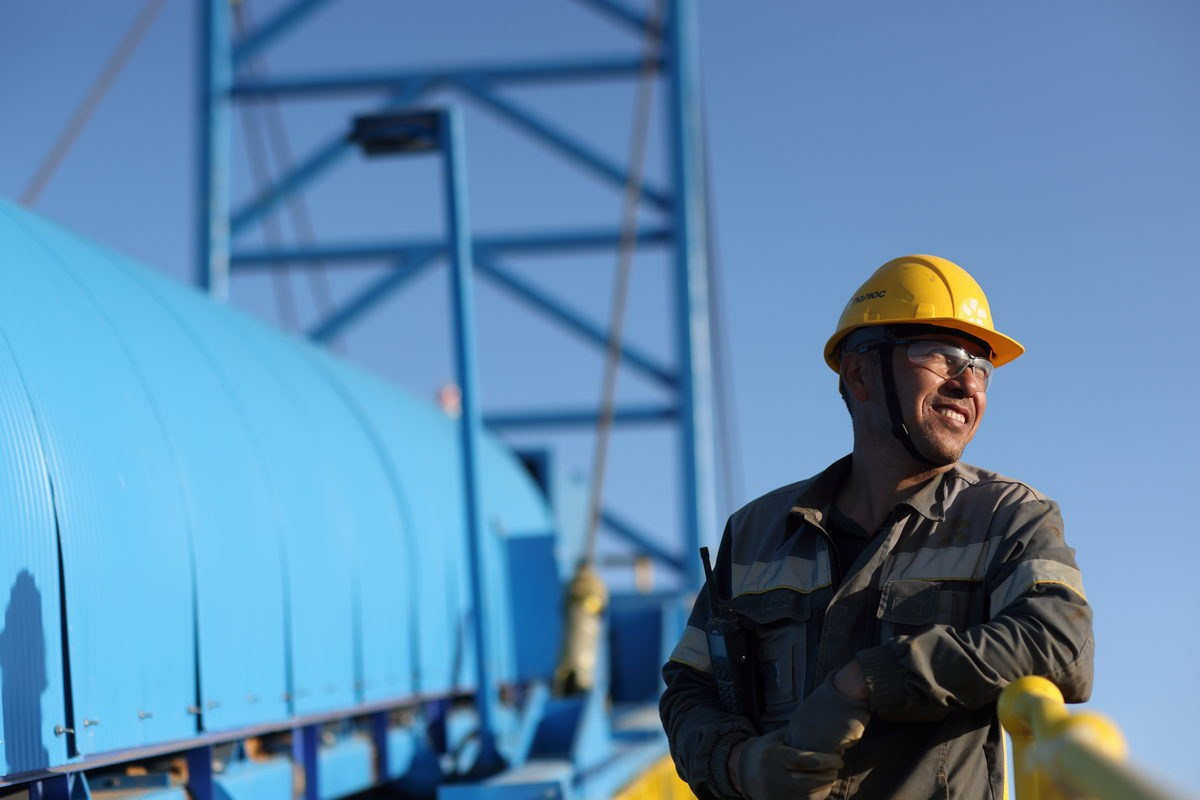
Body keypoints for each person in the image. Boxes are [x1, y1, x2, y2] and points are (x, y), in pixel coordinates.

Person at [660, 255, 1093, 799]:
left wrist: (865, 682)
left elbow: (1060, 644)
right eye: (942, 353)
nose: (968, 383)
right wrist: (740, 764)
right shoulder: (754, 533)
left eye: (981, 365)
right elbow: (689, 688)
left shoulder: (1007, 516)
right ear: (859, 373)